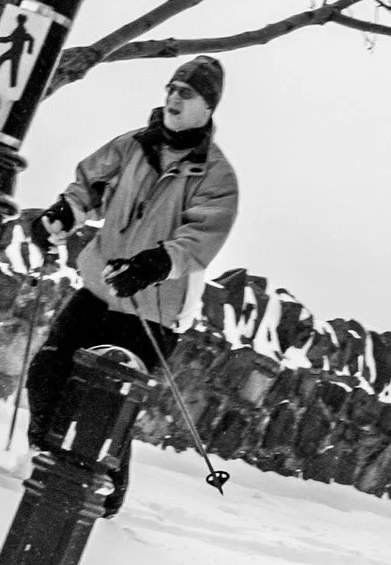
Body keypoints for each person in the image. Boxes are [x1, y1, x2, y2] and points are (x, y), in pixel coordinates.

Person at [25, 55, 239, 515]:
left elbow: (201, 237)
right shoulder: (132, 145)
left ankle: (104, 490)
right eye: (171, 88)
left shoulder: (217, 177)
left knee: (110, 405)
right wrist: (65, 211)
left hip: (153, 310)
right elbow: (90, 185)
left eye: (187, 92)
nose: (173, 97)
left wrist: (156, 262)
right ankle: (48, 456)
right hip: (100, 287)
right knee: (47, 370)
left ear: (208, 106)